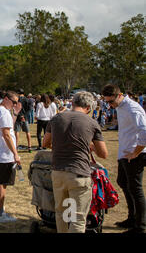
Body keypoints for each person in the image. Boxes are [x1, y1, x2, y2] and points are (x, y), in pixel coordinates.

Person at [43, 91, 108, 233]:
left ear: (72, 103)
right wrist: (90, 147)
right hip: (79, 174)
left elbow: (45, 143)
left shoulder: (56, 118)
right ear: (89, 108)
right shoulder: (91, 122)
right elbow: (103, 153)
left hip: (58, 172)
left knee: (61, 213)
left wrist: (59, 146)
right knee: (78, 218)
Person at [102, 84, 146, 233]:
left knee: (135, 189)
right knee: (122, 182)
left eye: (111, 102)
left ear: (119, 95)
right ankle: (132, 218)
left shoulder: (132, 108)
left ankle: (140, 226)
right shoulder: (120, 107)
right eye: (107, 102)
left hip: (134, 155)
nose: (110, 105)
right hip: (124, 153)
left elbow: (144, 131)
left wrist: (136, 152)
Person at [0, 91, 22, 222]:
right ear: (5, 99)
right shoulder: (3, 112)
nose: (15, 104)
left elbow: (9, 127)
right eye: (13, 101)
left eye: (17, 102)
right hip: (5, 153)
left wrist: (15, 113)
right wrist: (15, 153)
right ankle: (0, 213)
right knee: (3, 183)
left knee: (0, 179)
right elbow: (7, 134)